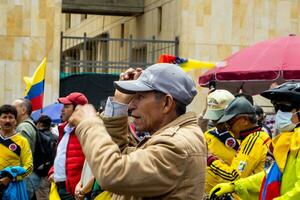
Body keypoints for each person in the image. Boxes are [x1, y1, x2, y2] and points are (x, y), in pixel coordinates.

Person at [69, 63, 207, 199]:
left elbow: (113, 174)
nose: (131, 105)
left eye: (140, 97)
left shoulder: (177, 145)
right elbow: (121, 155)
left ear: (166, 103)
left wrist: (89, 124)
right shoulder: (176, 137)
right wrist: (119, 103)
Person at [209, 82, 300, 200]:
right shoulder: (289, 140)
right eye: (276, 108)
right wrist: (235, 186)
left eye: (284, 108)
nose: (279, 113)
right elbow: (270, 175)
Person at [207, 97, 271, 199]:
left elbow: (233, 176)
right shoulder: (257, 136)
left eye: (230, 123)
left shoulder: (253, 140)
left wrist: (210, 159)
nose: (228, 127)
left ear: (244, 120)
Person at [48, 92, 88, 200]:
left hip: (75, 191)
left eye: (66, 106)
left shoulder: (87, 131)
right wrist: (53, 171)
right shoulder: (64, 130)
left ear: (77, 110)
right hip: (59, 187)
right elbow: (61, 155)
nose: (62, 110)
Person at [202, 90, 238, 194]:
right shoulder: (208, 135)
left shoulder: (241, 137)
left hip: (231, 192)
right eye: (213, 118)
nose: (214, 122)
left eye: (218, 118)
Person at [0, 104, 33, 199]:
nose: (7, 120)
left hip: (13, 189)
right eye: (4, 117)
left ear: (15, 121)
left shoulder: (22, 141)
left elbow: (29, 167)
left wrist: (11, 178)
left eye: (10, 117)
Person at [12, 98, 38, 199]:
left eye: (14, 108)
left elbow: (19, 157)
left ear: (23, 111)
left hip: (23, 178)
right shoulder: (28, 125)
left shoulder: (23, 128)